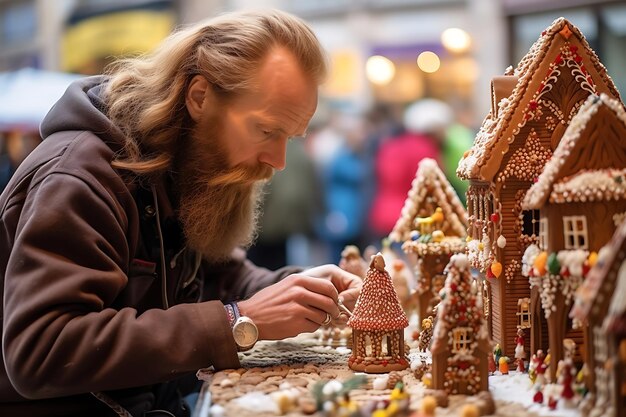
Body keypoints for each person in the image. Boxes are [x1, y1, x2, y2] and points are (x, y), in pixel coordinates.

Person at [0, 10, 361, 417]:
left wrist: (298, 289)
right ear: (200, 97)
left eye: (289, 138)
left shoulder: (182, 163)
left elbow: (215, 273)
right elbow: (41, 350)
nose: (277, 160)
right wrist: (239, 321)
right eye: (265, 131)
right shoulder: (81, 176)